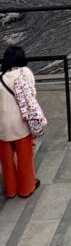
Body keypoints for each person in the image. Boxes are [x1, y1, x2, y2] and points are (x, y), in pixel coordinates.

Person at [0, 46, 45, 199]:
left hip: (2, 127)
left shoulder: (0, 77)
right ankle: (26, 188)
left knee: (6, 161)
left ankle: (11, 190)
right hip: (20, 125)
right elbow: (31, 96)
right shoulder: (24, 74)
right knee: (24, 158)